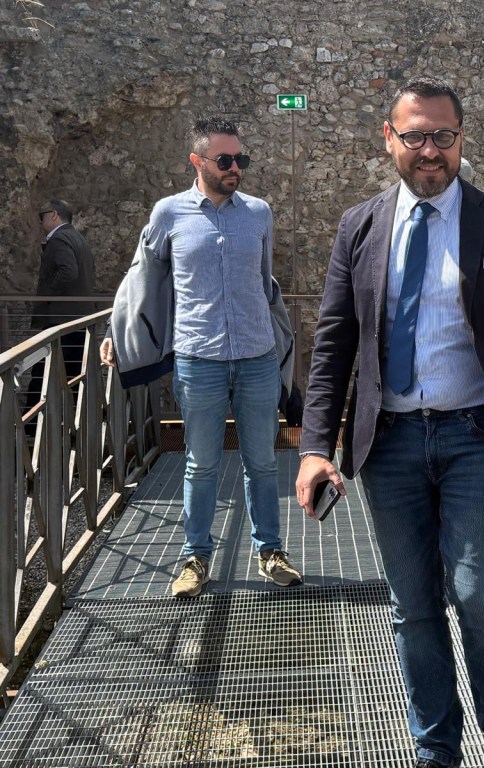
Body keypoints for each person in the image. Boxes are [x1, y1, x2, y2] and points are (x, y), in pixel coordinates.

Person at [295, 77, 484, 768]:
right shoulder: (360, 226)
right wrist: (316, 446)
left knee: (477, 596)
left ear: (462, 138)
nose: (430, 150)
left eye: (443, 135)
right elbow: (334, 343)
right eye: (415, 136)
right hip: (392, 443)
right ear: (390, 139)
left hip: (478, 438)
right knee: (412, 606)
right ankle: (435, 748)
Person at [100, 117, 301, 598]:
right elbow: (141, 278)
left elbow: (265, 281)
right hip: (198, 358)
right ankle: (196, 558)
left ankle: (270, 552)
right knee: (201, 464)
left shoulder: (259, 213)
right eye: (225, 160)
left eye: (241, 160)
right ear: (197, 161)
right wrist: (116, 330)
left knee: (263, 462)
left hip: (256, 356)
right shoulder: (168, 213)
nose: (236, 169)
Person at [26, 199, 95, 430]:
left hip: (60, 320)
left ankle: (30, 427)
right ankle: (79, 427)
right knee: (74, 377)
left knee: (42, 375)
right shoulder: (79, 239)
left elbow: (68, 272)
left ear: (54, 215)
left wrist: (47, 295)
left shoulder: (60, 238)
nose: (41, 221)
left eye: (42, 216)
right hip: (78, 319)